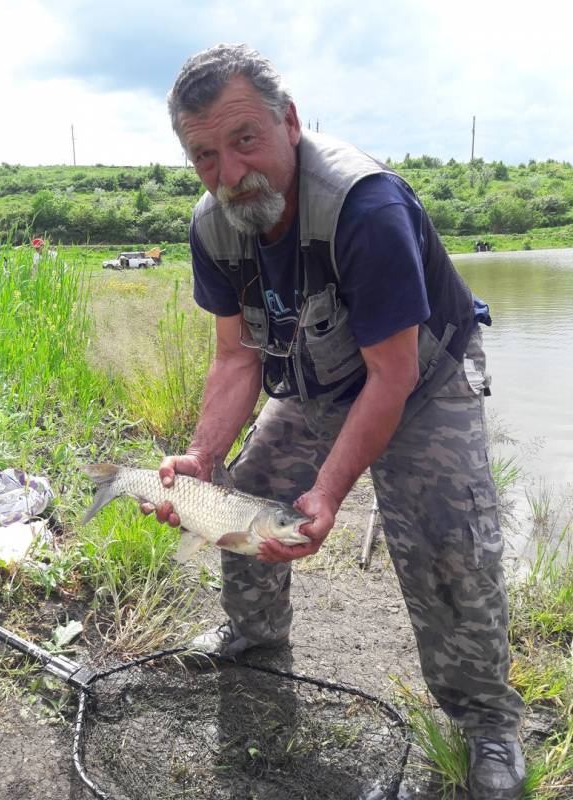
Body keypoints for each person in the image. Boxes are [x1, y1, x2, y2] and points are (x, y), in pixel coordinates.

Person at [145, 44, 526, 800]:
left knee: (449, 540)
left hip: (421, 379)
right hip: (317, 378)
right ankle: (254, 640)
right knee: (244, 494)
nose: (229, 174)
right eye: (205, 157)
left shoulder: (365, 206)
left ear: (289, 122)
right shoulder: (213, 227)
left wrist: (328, 491)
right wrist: (199, 457)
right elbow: (235, 358)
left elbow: (394, 375)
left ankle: (487, 722)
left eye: (245, 140)